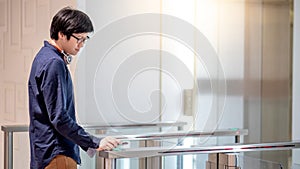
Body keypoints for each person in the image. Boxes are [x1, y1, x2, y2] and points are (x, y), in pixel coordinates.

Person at [28, 7, 120, 169]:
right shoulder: (54, 63)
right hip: (57, 153)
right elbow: (59, 117)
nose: (81, 45)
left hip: (45, 150)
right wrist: (94, 141)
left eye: (85, 39)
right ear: (62, 34)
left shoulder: (43, 56)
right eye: (79, 39)